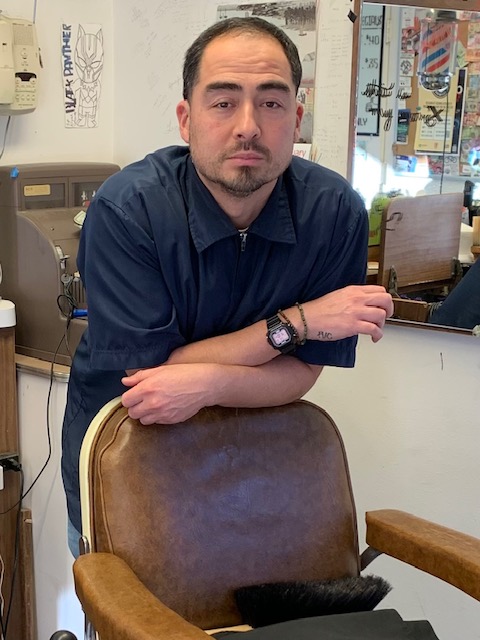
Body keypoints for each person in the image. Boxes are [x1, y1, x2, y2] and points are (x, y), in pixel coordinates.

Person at [61, 16, 393, 554]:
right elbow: (151, 381)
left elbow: (303, 371)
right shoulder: (129, 209)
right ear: (186, 119)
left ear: (296, 117)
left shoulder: (334, 213)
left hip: (257, 472)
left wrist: (208, 382)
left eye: (271, 102)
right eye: (222, 102)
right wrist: (301, 321)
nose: (248, 126)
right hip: (128, 453)